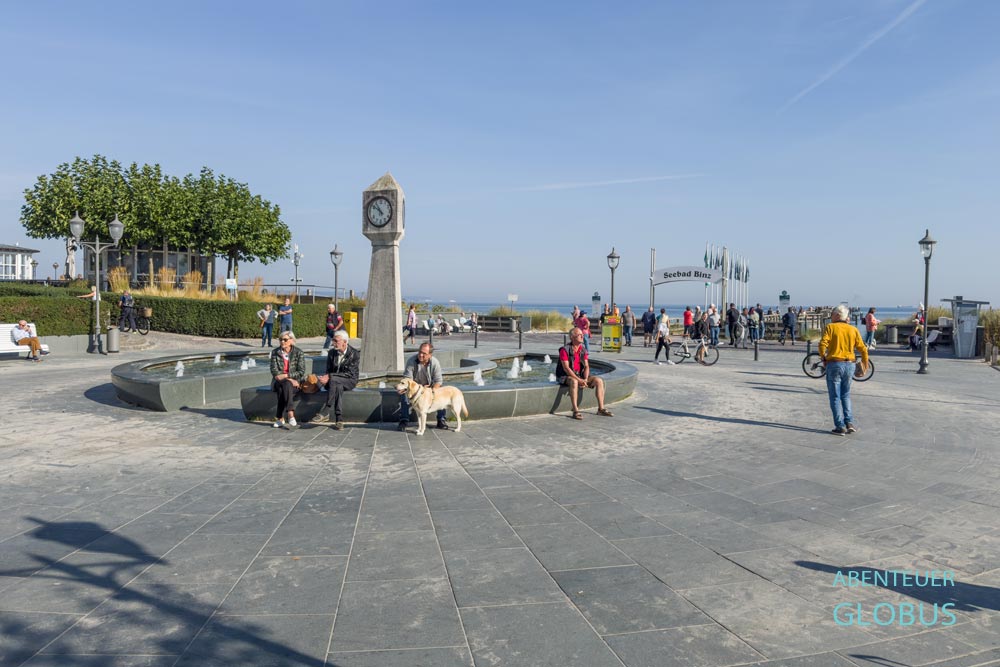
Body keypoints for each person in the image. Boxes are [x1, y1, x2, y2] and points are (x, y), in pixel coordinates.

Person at [818, 305, 868, 436]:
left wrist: (823, 357)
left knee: (835, 396)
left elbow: (823, 344)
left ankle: (840, 426)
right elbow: (863, 348)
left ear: (838, 316)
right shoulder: (853, 329)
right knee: (846, 395)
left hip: (834, 363)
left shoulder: (831, 327)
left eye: (833, 314)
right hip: (850, 364)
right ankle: (849, 423)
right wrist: (865, 364)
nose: (831, 317)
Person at [556, 327, 613, 419]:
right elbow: (566, 368)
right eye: (580, 335)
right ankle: (575, 410)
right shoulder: (564, 350)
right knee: (574, 381)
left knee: (598, 381)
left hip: (580, 375)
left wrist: (585, 379)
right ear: (572, 337)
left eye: (582, 334)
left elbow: (586, 366)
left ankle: (601, 409)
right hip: (565, 376)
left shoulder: (583, 349)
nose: (583, 336)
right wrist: (579, 380)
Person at [311, 330, 359, 430]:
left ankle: (326, 410)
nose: (333, 343)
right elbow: (328, 370)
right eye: (333, 340)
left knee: (334, 380)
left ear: (345, 342)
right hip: (334, 382)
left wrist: (330, 376)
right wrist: (325, 377)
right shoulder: (332, 353)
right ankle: (339, 419)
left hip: (349, 380)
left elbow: (349, 374)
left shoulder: (354, 354)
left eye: (336, 341)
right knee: (337, 385)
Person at [398, 342, 448, 431]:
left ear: (430, 355)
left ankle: (441, 419)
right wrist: (419, 389)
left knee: (441, 391)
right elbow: (407, 379)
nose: (420, 355)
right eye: (420, 352)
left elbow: (438, 381)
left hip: (430, 388)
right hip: (415, 389)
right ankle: (404, 420)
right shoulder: (411, 361)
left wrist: (433, 390)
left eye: (424, 353)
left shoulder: (435, 363)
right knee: (404, 394)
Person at [269, 331, 307, 428]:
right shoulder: (275, 352)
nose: (282, 342)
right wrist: (289, 379)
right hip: (278, 382)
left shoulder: (298, 352)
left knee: (284, 387)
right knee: (286, 384)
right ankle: (290, 413)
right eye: (280, 340)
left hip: (294, 383)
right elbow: (275, 372)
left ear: (291, 340)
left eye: (285, 340)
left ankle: (280, 418)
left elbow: (301, 371)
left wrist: (286, 376)